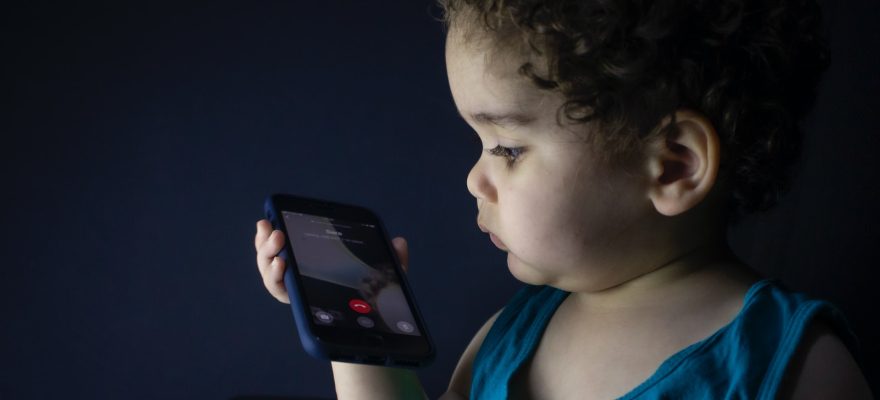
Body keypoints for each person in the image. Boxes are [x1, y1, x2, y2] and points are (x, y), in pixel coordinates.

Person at [255, 0, 874, 398]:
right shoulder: (509, 336)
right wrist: (358, 343)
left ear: (673, 165)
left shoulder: (794, 367)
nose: (473, 179)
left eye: (508, 148)